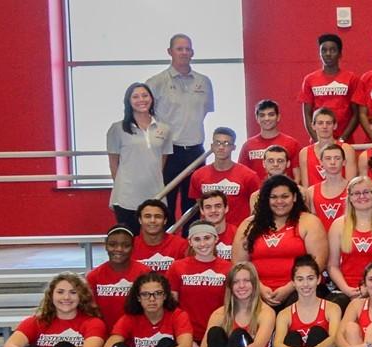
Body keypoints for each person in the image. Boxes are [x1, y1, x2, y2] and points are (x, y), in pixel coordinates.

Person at [234, 175, 329, 308]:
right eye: (274, 197)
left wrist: (290, 287)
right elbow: (239, 265)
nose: (279, 201)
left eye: (285, 196)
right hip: (256, 291)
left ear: (294, 197)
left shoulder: (309, 221)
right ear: (266, 199)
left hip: (300, 290)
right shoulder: (248, 225)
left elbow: (319, 262)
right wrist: (259, 288)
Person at [147, 34, 214, 217]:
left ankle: (190, 243)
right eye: (179, 49)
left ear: (192, 52)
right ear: (170, 52)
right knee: (164, 202)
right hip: (168, 152)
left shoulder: (204, 82)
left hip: (195, 151)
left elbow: (204, 111)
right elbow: (146, 116)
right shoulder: (155, 83)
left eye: (188, 49)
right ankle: (165, 244)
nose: (184, 52)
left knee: (193, 205)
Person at [107, 83, 173, 230]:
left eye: (145, 95)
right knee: (130, 240)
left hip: (155, 192)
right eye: (135, 96)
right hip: (126, 195)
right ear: (128, 101)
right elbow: (113, 163)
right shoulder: (117, 129)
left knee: (154, 240)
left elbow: (162, 160)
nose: (141, 100)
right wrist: (122, 186)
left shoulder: (164, 129)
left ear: (151, 98)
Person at [166, 221, 230, 347]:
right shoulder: (177, 267)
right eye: (197, 239)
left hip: (217, 334)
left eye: (207, 238)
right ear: (190, 242)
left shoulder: (229, 268)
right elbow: (172, 307)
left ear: (216, 239)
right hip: (188, 336)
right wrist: (185, 338)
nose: (202, 244)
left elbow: (230, 306)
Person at [328, 177, 372, 303]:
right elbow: (332, 266)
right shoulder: (338, 225)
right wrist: (347, 290)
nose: (362, 196)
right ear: (349, 197)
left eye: (366, 192)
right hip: (348, 290)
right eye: (356, 193)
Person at [189, 127, 261, 226]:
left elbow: (257, 206)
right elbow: (200, 204)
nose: (221, 147)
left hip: (239, 233)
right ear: (212, 146)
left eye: (226, 143)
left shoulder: (249, 176)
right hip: (209, 234)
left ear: (234, 147)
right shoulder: (198, 175)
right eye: (217, 143)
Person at [300, 33, 362, 142]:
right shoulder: (309, 79)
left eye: (333, 50)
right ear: (320, 54)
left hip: (345, 142)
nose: (328, 54)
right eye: (324, 50)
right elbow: (307, 114)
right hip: (318, 141)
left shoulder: (351, 78)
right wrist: (317, 140)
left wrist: (343, 139)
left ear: (340, 54)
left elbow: (356, 114)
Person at [86, 225, 149, 328]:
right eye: (112, 244)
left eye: (126, 245)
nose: (119, 249)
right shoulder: (93, 276)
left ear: (133, 247)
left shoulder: (144, 273)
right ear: (105, 245)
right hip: (103, 335)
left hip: (136, 333)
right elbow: (89, 310)